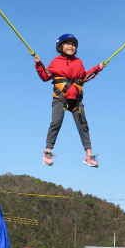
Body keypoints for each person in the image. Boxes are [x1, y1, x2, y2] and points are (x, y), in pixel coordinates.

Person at [34, 34, 106, 167]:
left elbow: (84, 77)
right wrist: (38, 64)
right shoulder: (56, 61)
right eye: (67, 44)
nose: (71, 46)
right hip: (60, 98)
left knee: (83, 126)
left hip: (76, 99)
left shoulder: (79, 62)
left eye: (73, 45)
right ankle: (47, 151)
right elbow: (45, 76)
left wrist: (98, 68)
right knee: (56, 122)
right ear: (60, 47)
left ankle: (89, 155)